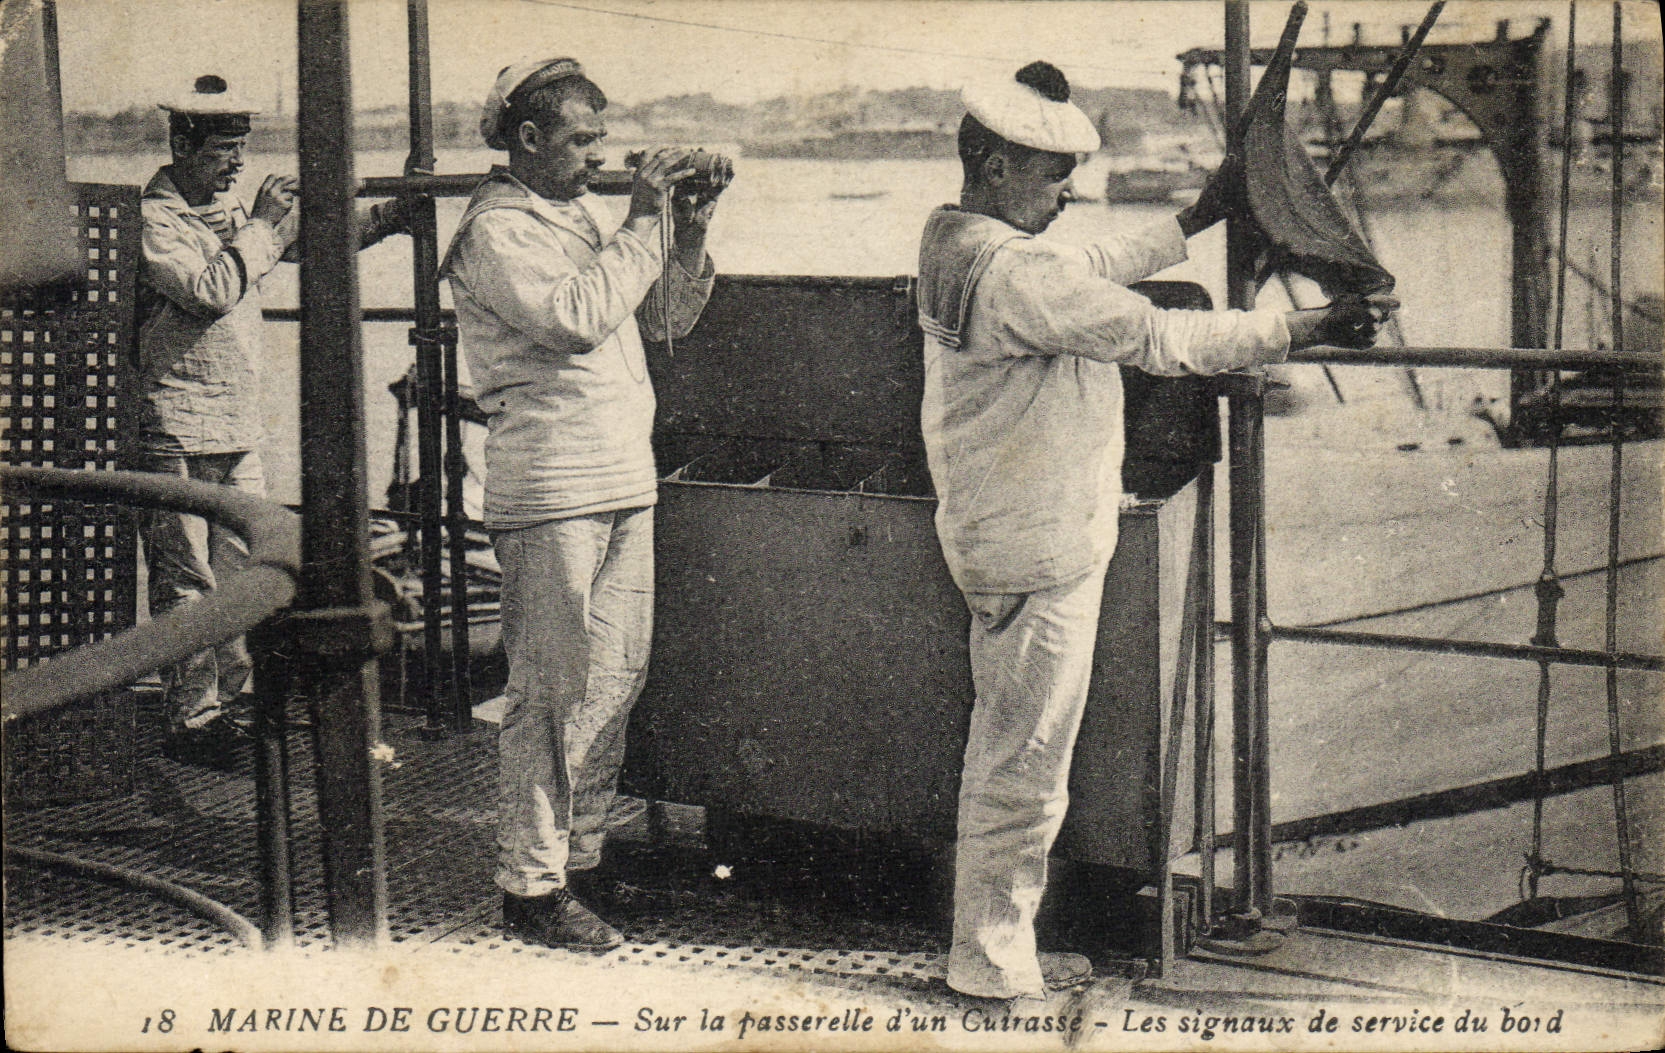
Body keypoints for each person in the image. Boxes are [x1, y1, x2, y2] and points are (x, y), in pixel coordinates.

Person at [917, 61, 1396, 1001]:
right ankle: (987, 964)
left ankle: (994, 947)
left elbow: (1082, 269)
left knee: (1009, 750)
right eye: (1053, 175)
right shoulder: (1013, 270)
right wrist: (1304, 330)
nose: (1069, 194)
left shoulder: (953, 239)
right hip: (1039, 544)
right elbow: (1158, 339)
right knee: (1024, 769)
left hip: (998, 530)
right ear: (995, 163)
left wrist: (1191, 220)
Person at [441, 57, 728, 950]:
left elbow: (666, 319)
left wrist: (686, 226)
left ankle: (584, 861)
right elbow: (575, 318)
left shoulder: (581, 215)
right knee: (548, 691)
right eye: (581, 138)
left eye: (600, 137)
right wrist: (643, 219)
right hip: (552, 488)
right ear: (527, 141)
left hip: (620, 478)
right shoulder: (495, 230)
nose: (598, 152)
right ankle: (528, 887)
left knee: (613, 678)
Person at [136, 74, 407, 767]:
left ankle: (238, 700)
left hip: (235, 419)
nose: (234, 164)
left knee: (242, 571)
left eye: (240, 149)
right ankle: (194, 718)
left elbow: (312, 244)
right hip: (174, 419)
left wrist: (388, 216)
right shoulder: (157, 220)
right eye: (222, 149)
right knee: (185, 575)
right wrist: (262, 223)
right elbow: (210, 289)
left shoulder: (231, 215)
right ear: (180, 142)